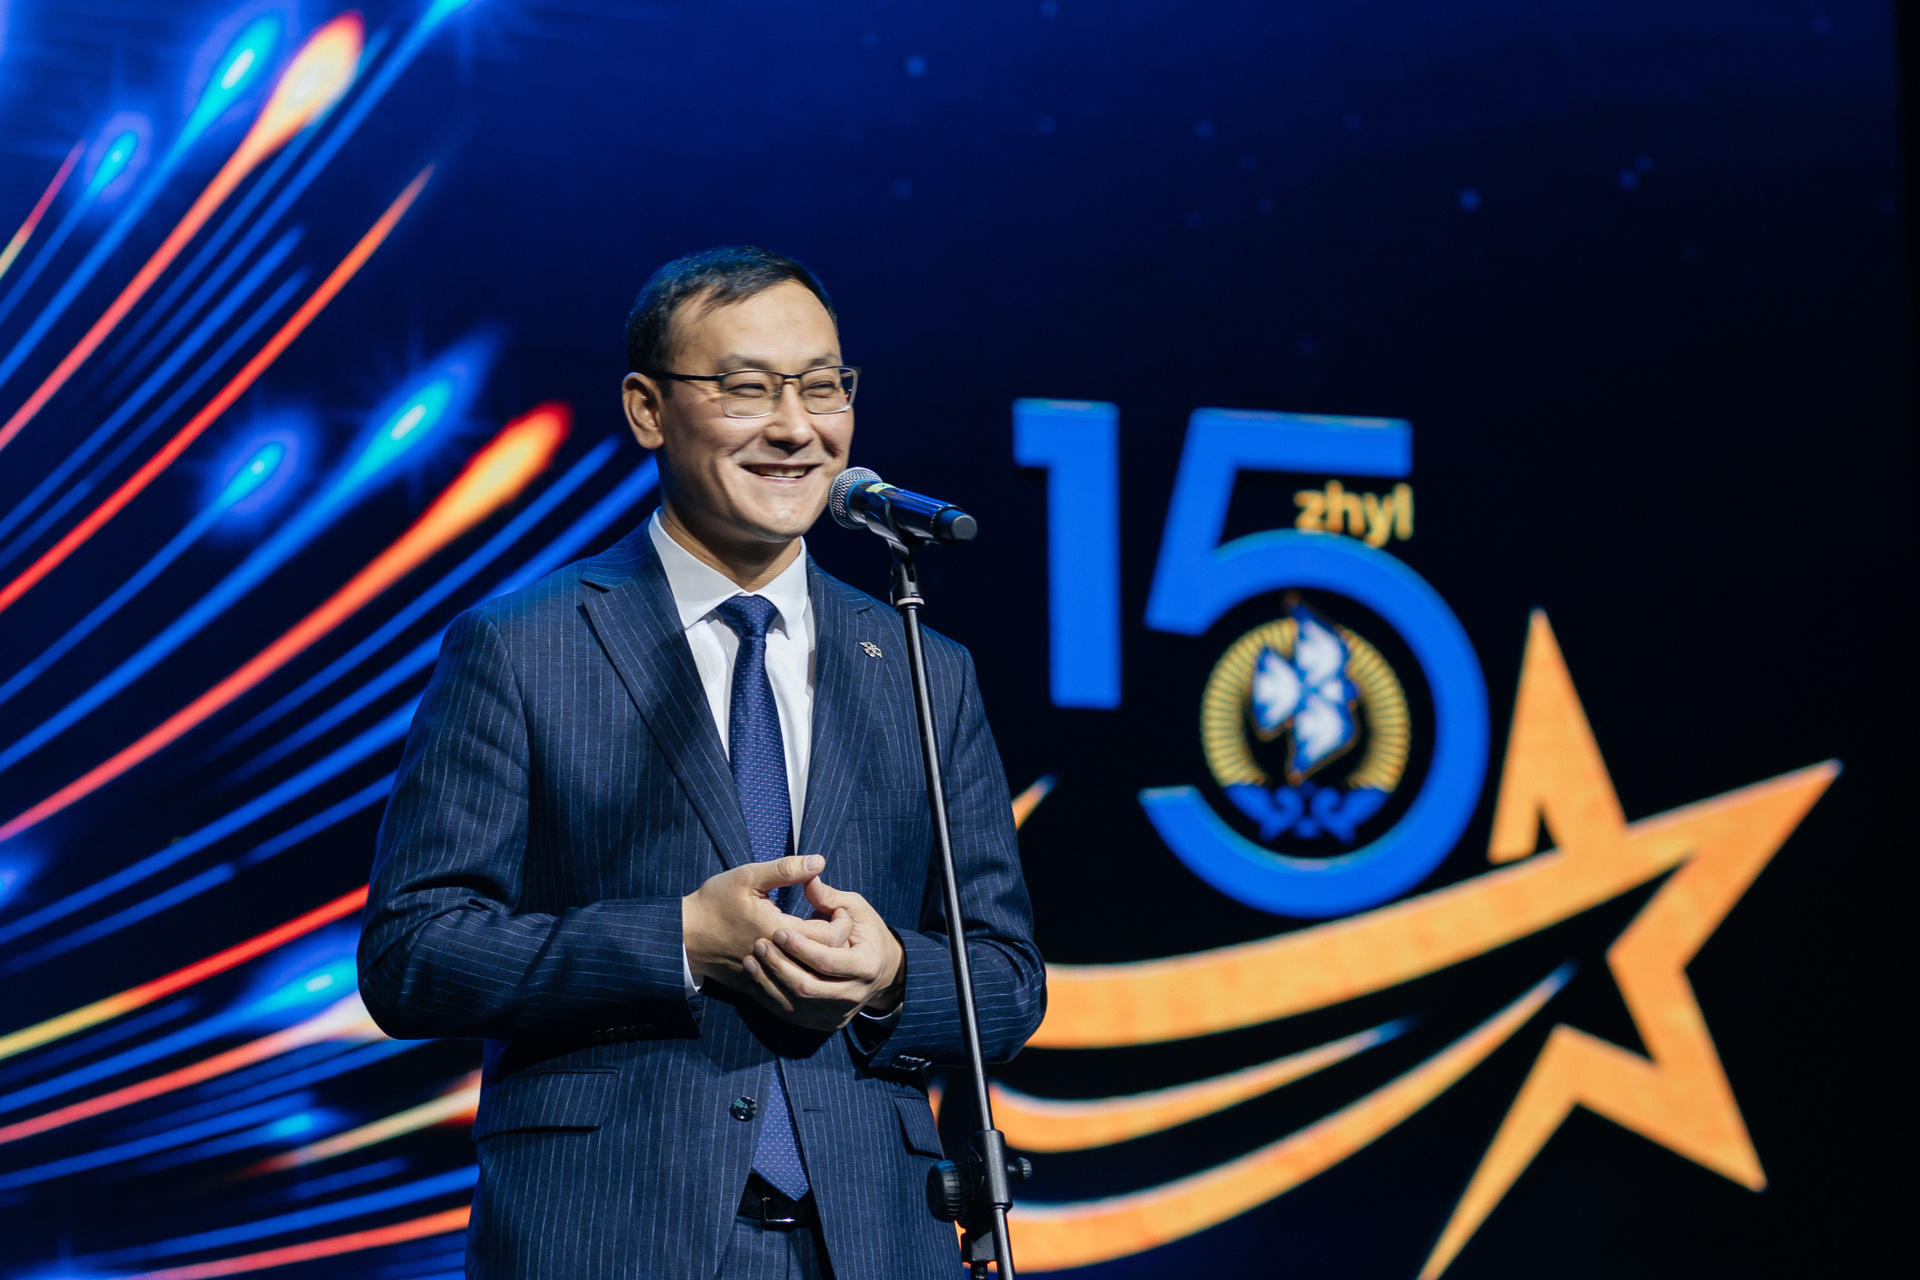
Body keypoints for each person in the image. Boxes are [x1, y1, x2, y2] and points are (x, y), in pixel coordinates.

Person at [358, 246, 1046, 1280]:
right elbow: (413, 955)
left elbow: (1010, 980)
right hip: (610, 1236)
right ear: (648, 409)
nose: (796, 426)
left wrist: (893, 974)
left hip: (875, 1240)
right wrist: (679, 940)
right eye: (747, 388)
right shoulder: (523, 646)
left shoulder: (919, 662)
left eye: (823, 386)